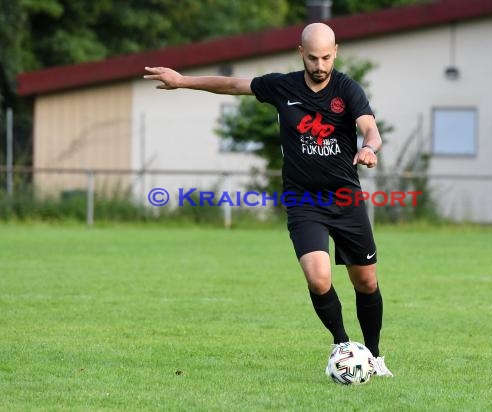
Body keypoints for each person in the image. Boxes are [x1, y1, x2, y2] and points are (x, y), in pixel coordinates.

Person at [144, 22, 393, 378]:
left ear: (335, 51)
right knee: (318, 278)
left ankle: (374, 355)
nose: (320, 65)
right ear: (300, 53)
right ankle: (342, 345)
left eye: (326, 57)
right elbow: (232, 85)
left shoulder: (347, 89)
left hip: (345, 198)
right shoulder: (282, 86)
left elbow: (370, 128)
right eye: (312, 57)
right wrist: (182, 81)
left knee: (366, 282)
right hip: (303, 199)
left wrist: (368, 148)